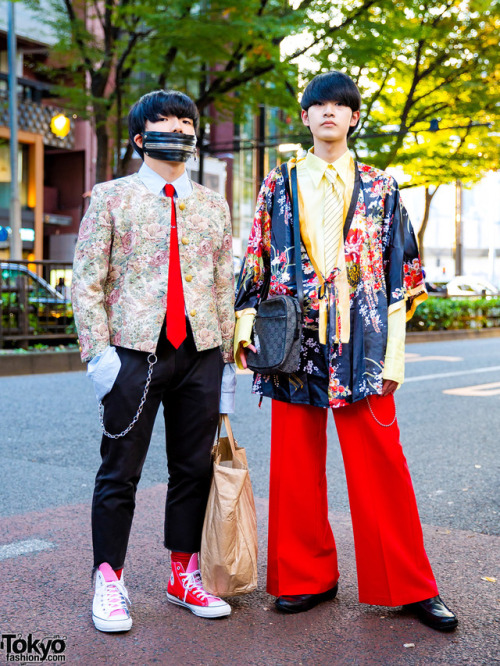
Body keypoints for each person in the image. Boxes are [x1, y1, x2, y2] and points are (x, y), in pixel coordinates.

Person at [234, 71, 457, 631]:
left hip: (364, 343)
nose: (329, 112)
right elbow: (256, 261)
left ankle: (408, 587)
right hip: (294, 341)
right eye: (319, 105)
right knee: (293, 465)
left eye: (340, 105)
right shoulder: (276, 183)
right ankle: (307, 578)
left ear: (354, 117)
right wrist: (245, 332)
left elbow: (401, 277)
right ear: (305, 116)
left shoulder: (383, 187)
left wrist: (395, 359)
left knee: (382, 463)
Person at [72, 90, 236, 632]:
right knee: (120, 471)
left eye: (186, 121)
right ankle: (108, 579)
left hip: (201, 351)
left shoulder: (214, 203)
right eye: (164, 121)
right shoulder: (110, 197)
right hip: (132, 352)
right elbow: (87, 281)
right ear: (141, 136)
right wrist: (99, 357)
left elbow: (221, 283)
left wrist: (227, 360)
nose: (178, 128)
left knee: (193, 469)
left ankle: (182, 573)